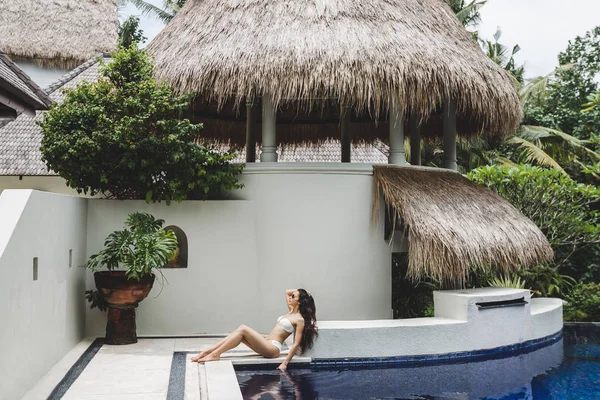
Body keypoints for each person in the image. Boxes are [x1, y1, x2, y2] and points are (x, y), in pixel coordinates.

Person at [191, 288, 318, 371]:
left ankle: (214, 354)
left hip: (273, 349)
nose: (290, 297)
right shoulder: (290, 311)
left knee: (243, 328)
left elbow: (296, 344)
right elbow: (286, 291)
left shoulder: (299, 319)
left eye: (293, 297)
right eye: (291, 296)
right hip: (266, 343)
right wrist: (304, 292)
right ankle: (208, 352)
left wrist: (285, 363)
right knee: (239, 332)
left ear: (299, 302)